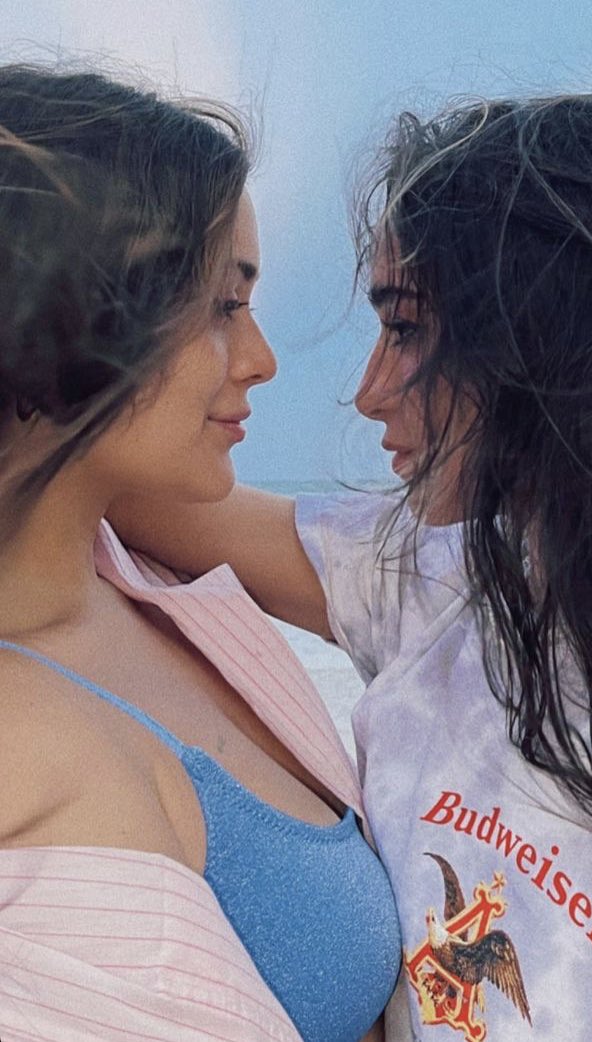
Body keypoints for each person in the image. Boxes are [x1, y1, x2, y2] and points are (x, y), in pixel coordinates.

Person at [112, 94, 592, 1041]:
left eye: (406, 330)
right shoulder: (433, 585)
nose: (368, 392)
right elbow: (116, 481)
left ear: (555, 338)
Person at [0, 63, 402, 1042]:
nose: (261, 360)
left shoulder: (152, 571)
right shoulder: (27, 751)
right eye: (225, 305)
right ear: (73, 309)